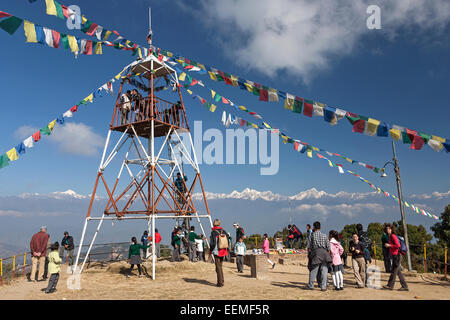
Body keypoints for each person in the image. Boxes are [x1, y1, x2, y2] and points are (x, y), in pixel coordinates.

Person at [306, 221, 331, 291]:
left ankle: (311, 285)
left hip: (316, 253)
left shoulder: (312, 235)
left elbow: (309, 247)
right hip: (325, 253)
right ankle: (323, 286)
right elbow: (329, 248)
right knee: (324, 270)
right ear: (320, 227)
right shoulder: (325, 235)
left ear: (314, 227)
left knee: (314, 270)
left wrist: (310, 256)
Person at [383, 224, 409, 291]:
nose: (387, 230)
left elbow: (397, 245)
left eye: (389, 228)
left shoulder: (393, 236)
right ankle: (404, 286)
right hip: (395, 255)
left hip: (397, 255)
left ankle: (390, 286)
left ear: (392, 229)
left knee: (394, 271)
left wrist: (389, 245)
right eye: (387, 229)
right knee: (398, 272)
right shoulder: (390, 236)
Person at [209, 219, 229, 287]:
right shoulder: (223, 231)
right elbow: (228, 239)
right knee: (220, 266)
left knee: (218, 267)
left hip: (217, 251)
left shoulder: (213, 232)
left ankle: (220, 282)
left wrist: (211, 250)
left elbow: (212, 243)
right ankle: (222, 280)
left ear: (214, 224)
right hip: (223, 250)